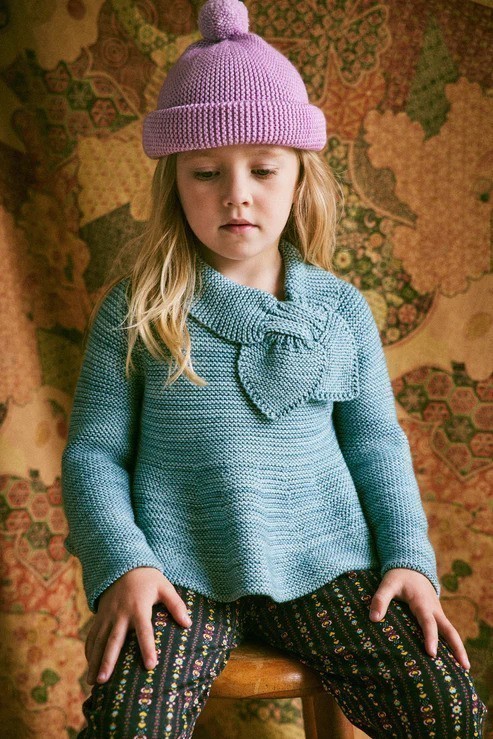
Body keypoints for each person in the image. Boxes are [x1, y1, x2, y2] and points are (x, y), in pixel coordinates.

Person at [61, 0, 487, 736]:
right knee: (127, 722)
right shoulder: (141, 309)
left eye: (262, 168)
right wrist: (125, 564)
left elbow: (376, 446)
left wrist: (410, 559)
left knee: (445, 707)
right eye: (205, 171)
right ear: (174, 183)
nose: (237, 192)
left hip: (326, 561)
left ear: (299, 177)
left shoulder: (340, 310)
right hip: (179, 568)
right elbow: (94, 454)